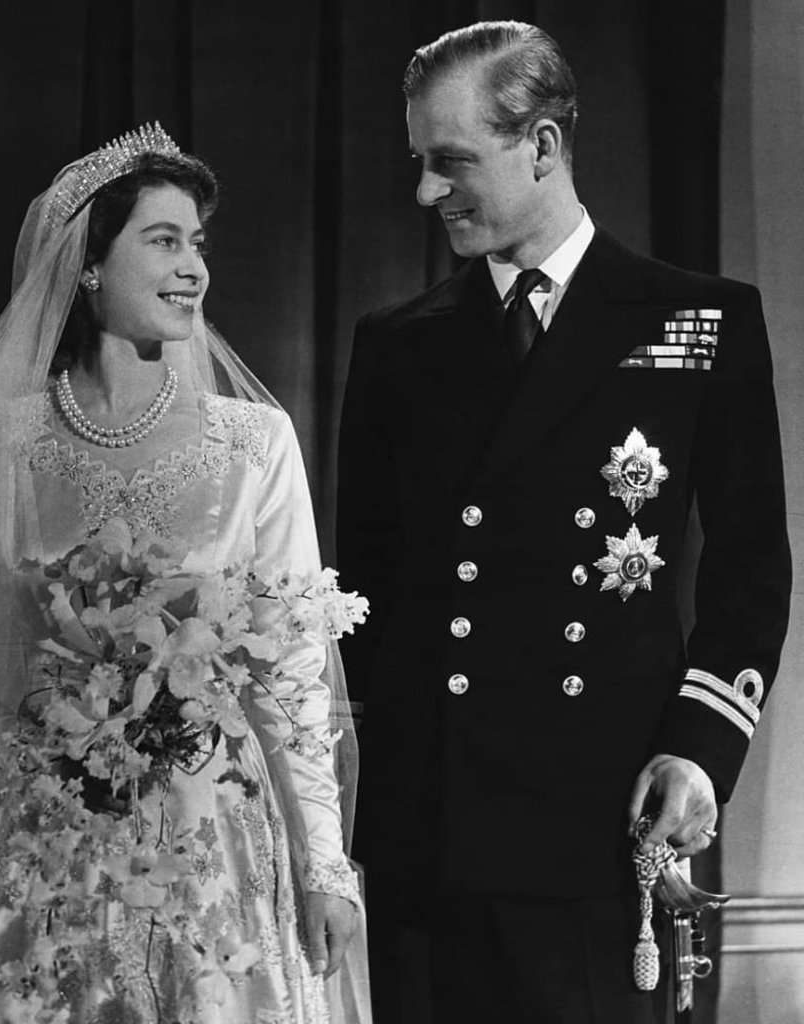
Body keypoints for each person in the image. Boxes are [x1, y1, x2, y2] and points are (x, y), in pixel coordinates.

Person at [0, 125, 369, 1024]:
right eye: (163, 241)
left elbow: (294, 673)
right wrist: (20, 748)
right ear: (89, 266)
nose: (194, 268)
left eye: (198, 246)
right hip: (56, 843)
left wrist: (324, 863)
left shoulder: (254, 442)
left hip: (214, 840)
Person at [336, 21, 791, 1024]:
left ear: (541, 147)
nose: (426, 192)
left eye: (451, 161)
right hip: (429, 833)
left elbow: (751, 571)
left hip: (596, 816)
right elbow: (362, 599)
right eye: (419, 163)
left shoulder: (693, 321)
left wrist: (697, 751)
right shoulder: (396, 347)